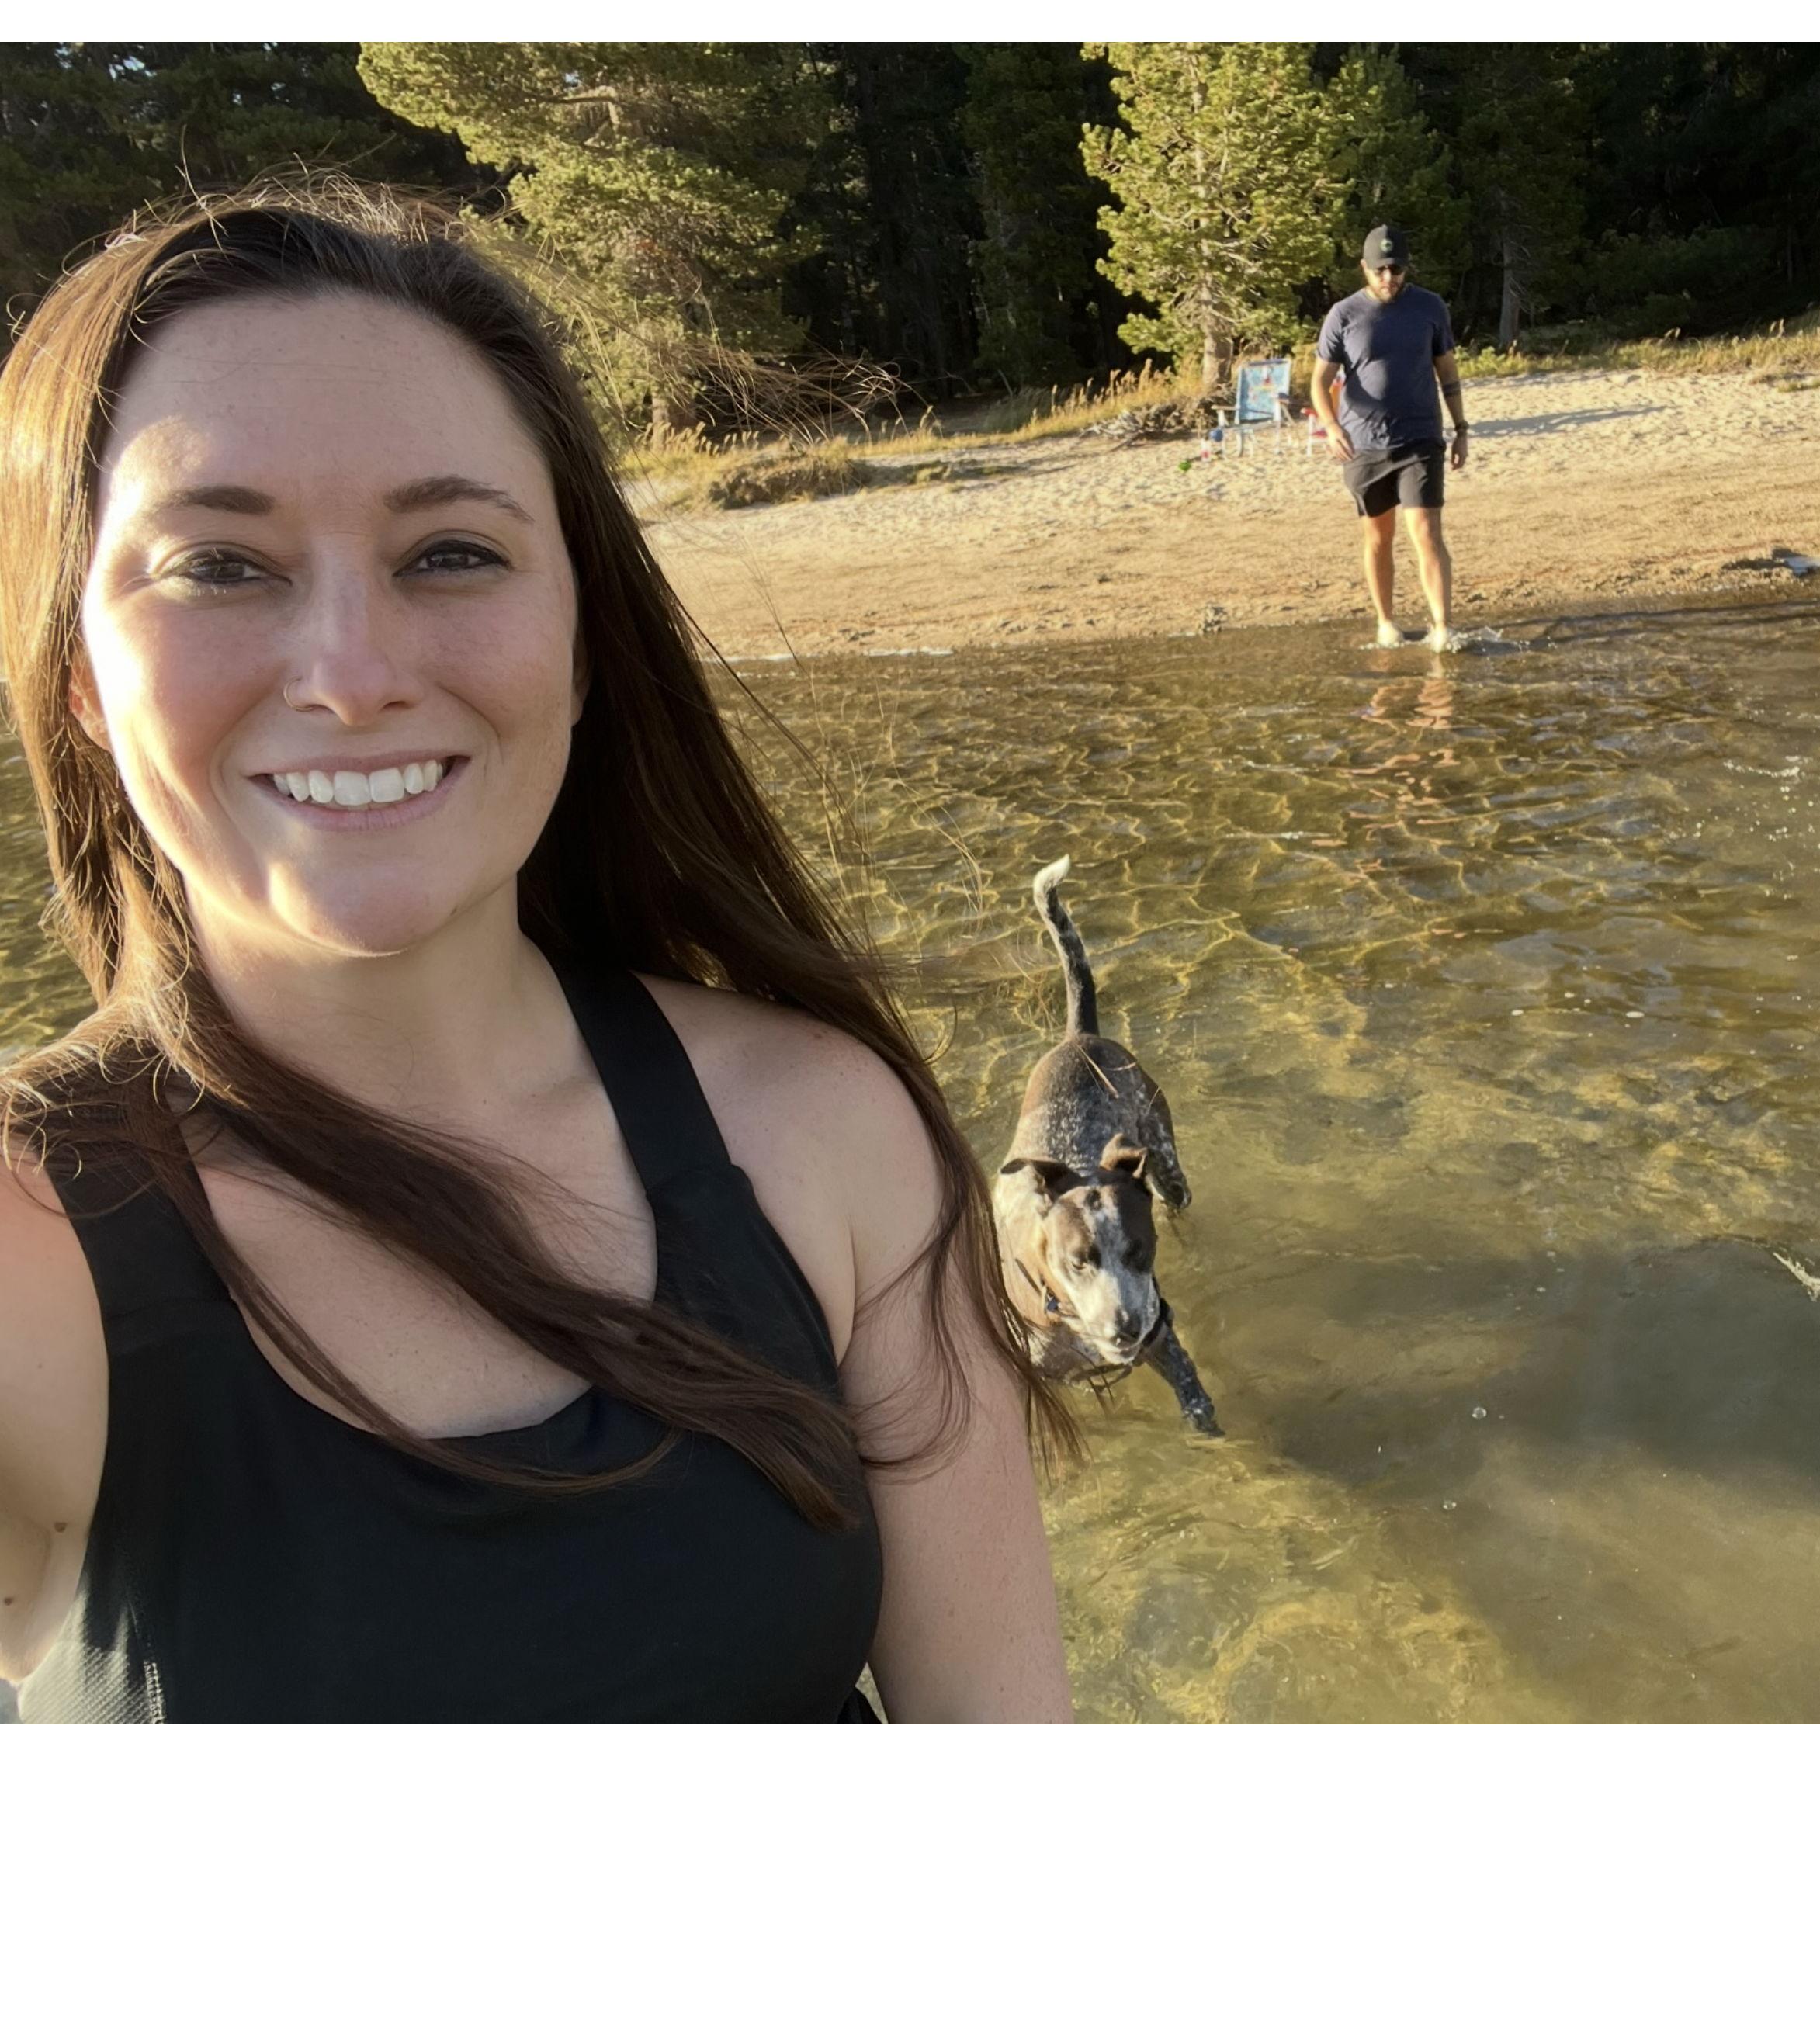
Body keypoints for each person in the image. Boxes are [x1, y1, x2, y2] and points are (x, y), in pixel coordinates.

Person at [0, 184, 1076, 1722]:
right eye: (219, 567)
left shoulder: (822, 1135)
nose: (355, 675)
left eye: (448, 553)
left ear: (580, 645)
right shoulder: (30, 1242)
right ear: (78, 675)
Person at [1309, 224, 1472, 651]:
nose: (1388, 279)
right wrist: (1331, 427)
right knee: (1378, 538)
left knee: (1426, 532)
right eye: (1380, 270)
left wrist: (1461, 430)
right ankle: (1386, 623)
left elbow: (1448, 372)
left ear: (1406, 267)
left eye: (1396, 269)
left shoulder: (1430, 308)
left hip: (1421, 439)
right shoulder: (1343, 315)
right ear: (1364, 268)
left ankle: (1442, 627)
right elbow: (1319, 382)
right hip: (1363, 446)